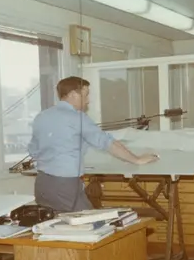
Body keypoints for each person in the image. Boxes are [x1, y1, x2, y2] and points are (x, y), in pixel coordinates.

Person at [27, 76, 158, 213]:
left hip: (42, 183)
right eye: (85, 95)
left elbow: (33, 150)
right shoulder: (77, 117)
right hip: (64, 184)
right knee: (85, 222)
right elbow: (106, 142)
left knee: (56, 221)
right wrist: (136, 159)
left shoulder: (42, 117)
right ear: (73, 94)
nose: (88, 100)